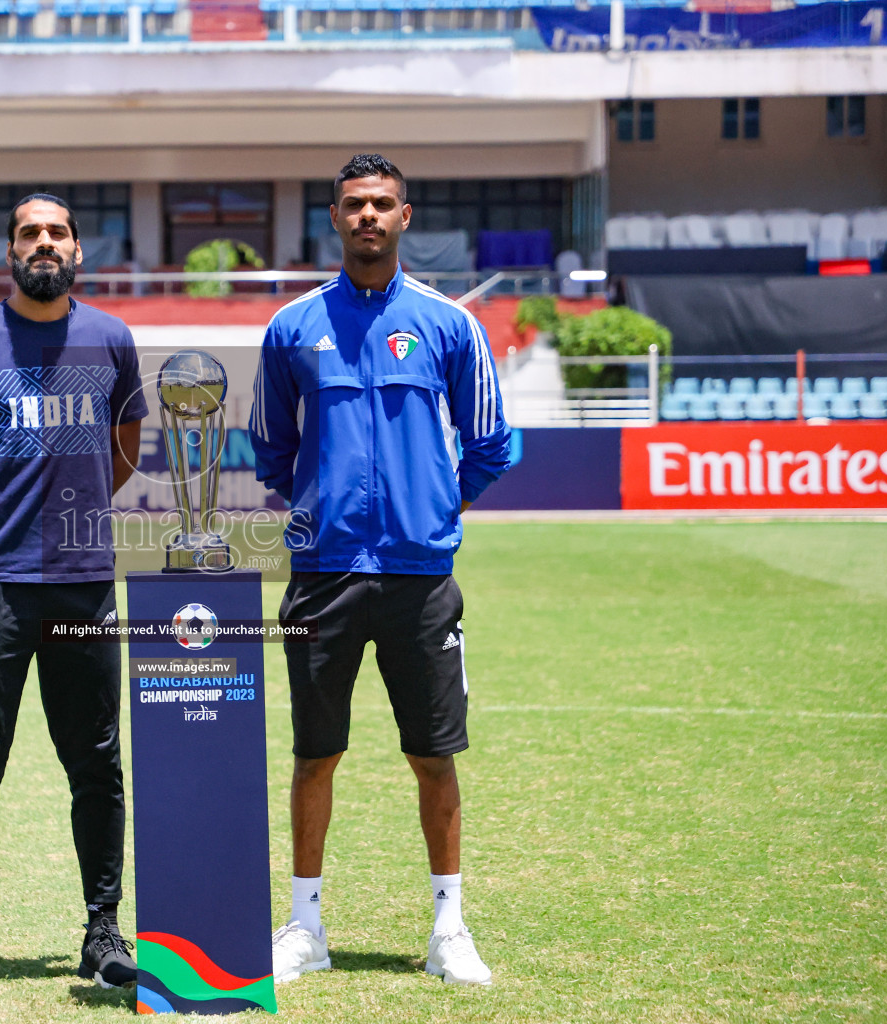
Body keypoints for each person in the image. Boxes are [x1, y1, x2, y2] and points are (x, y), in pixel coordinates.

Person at [248, 154, 512, 988]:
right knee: (313, 755)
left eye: (382, 204)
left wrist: (435, 507)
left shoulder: (449, 324)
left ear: (406, 216)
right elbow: (269, 447)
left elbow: (493, 442)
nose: (368, 215)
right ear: (333, 217)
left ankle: (449, 928)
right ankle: (305, 927)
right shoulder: (294, 327)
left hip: (420, 578)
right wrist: (321, 508)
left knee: (435, 755)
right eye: (354, 204)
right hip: (322, 575)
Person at [0, 193, 147, 999]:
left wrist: (75, 521)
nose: (43, 243)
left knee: (96, 762)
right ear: (10, 251)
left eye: (56, 232)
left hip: (86, 581)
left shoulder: (111, 340)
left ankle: (102, 928)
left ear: (77, 251)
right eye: (29, 233)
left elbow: (126, 450)